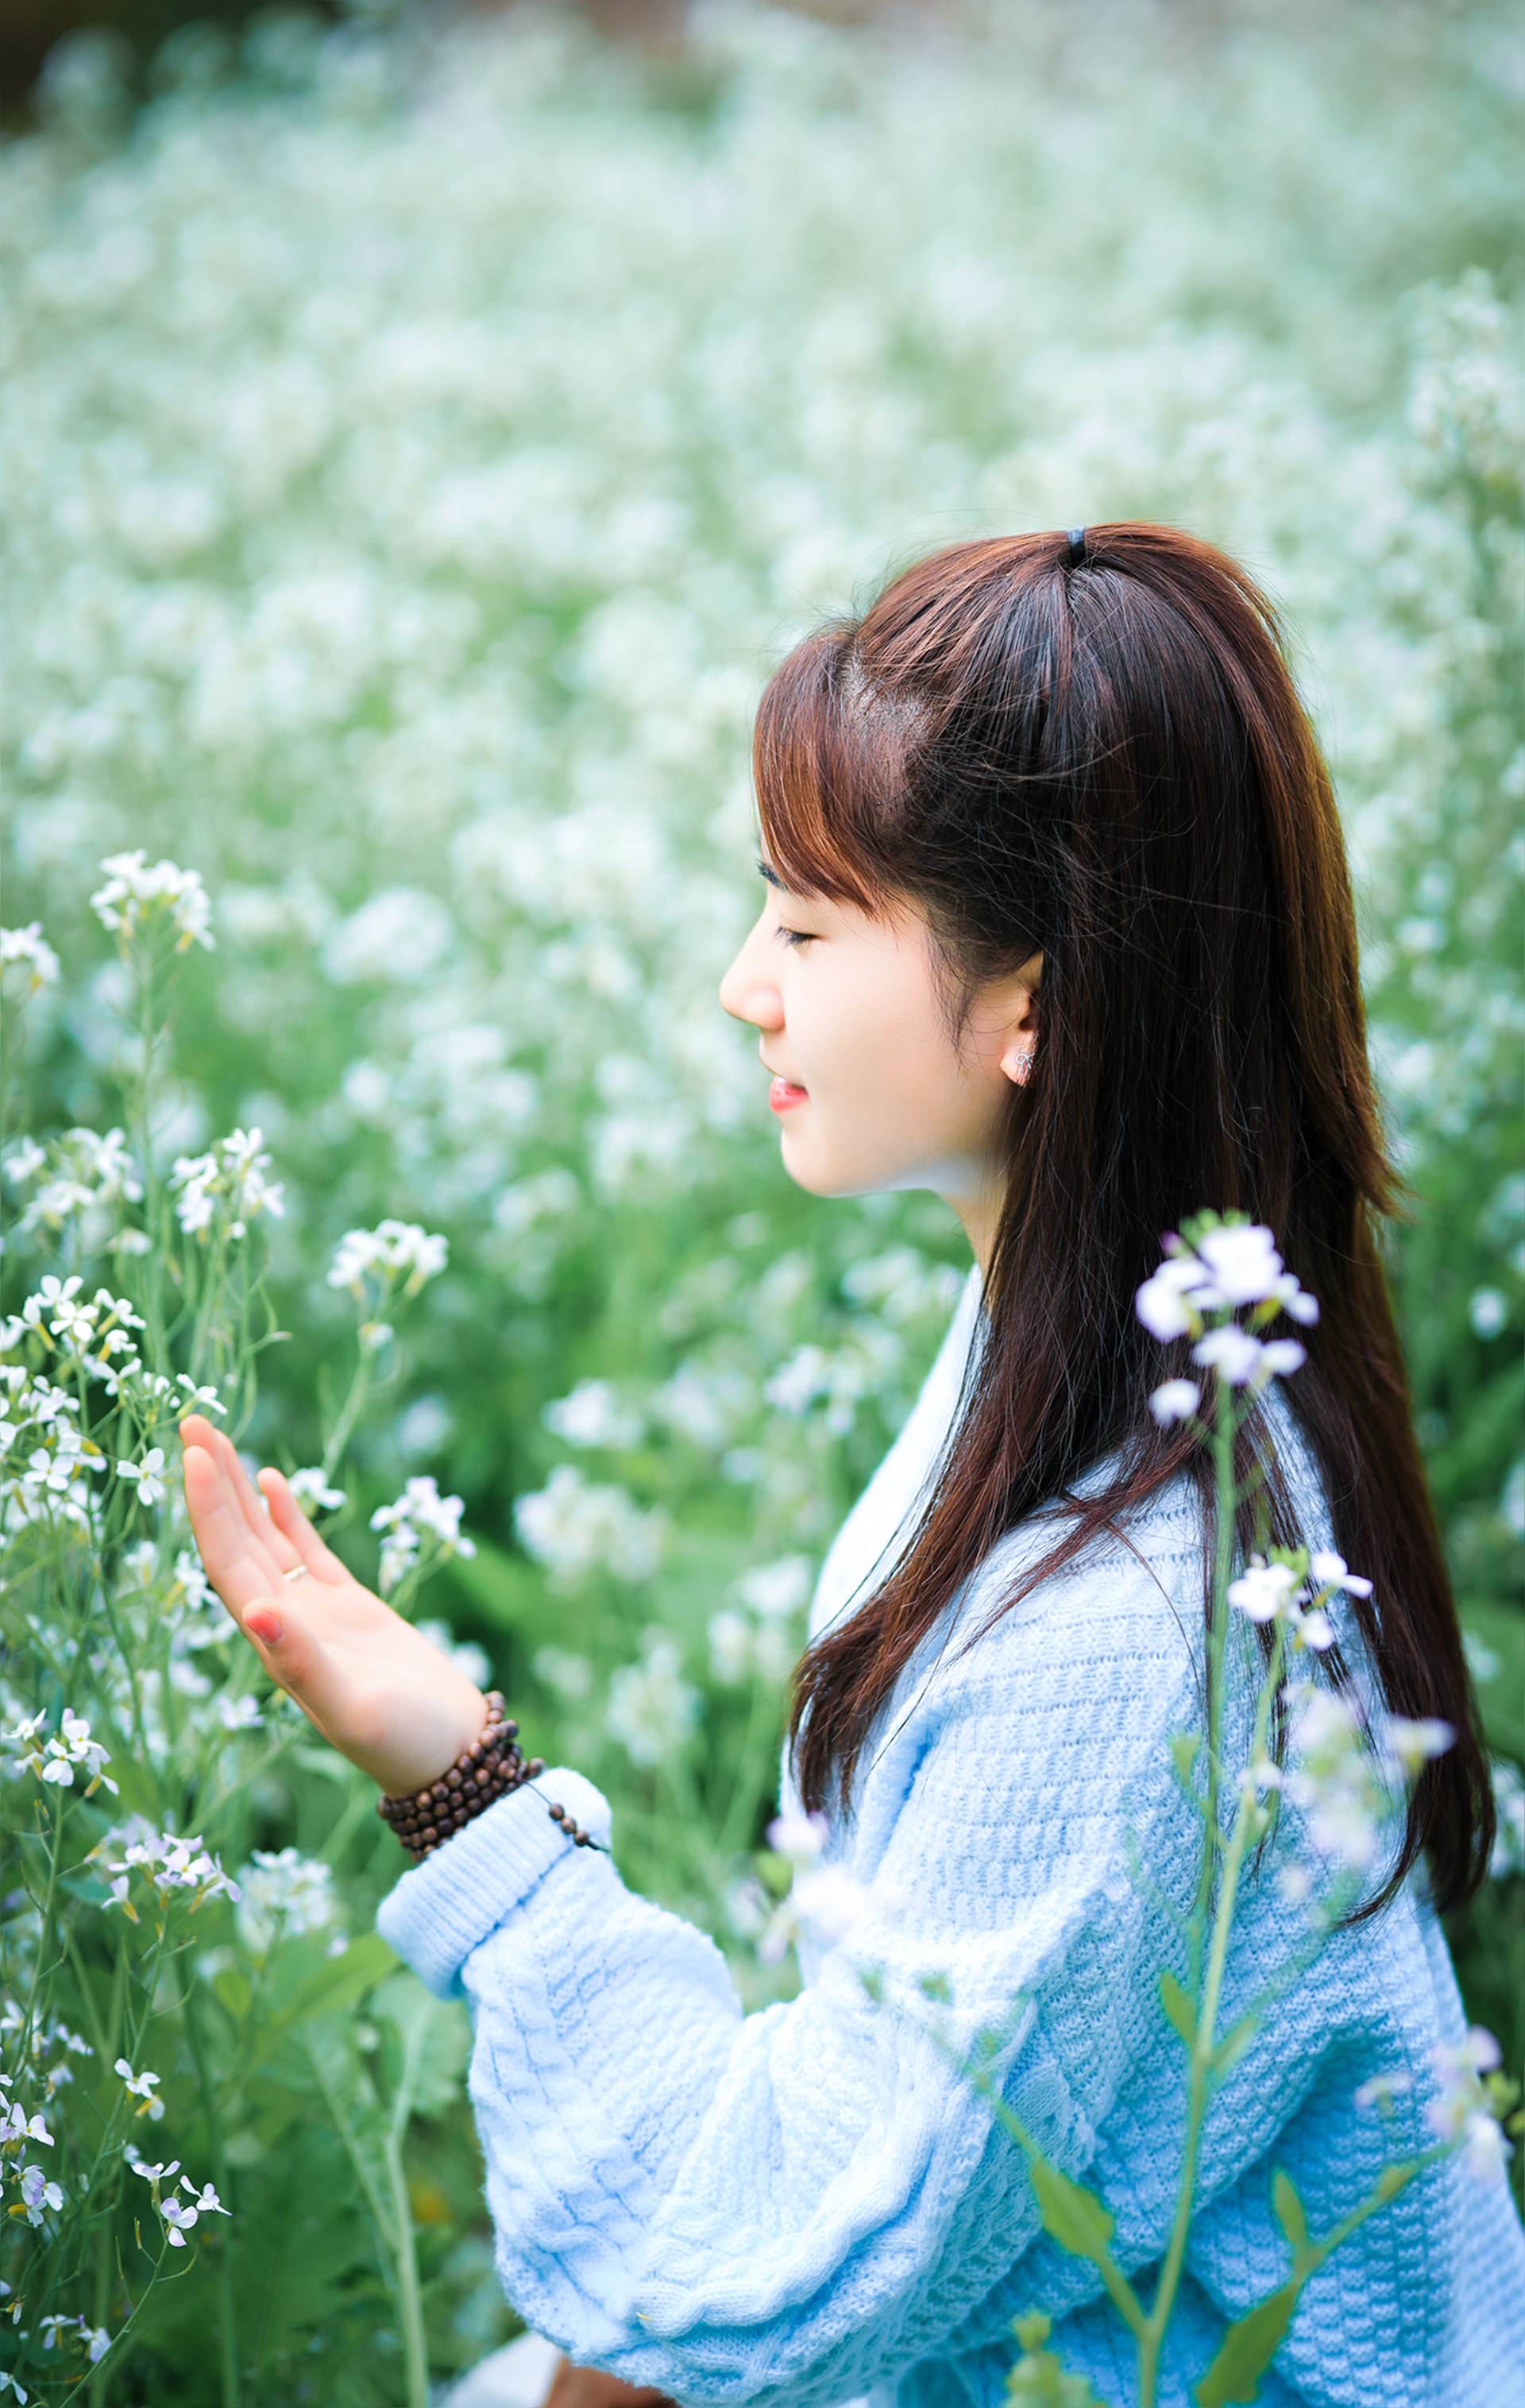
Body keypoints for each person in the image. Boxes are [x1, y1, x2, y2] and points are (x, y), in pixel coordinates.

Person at [180, 525, 1525, 2408]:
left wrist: (457, 1786)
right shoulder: (1104, 1355)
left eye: (809, 930)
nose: (747, 987)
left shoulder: (1126, 1621)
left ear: (1033, 1002)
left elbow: (767, 2264)